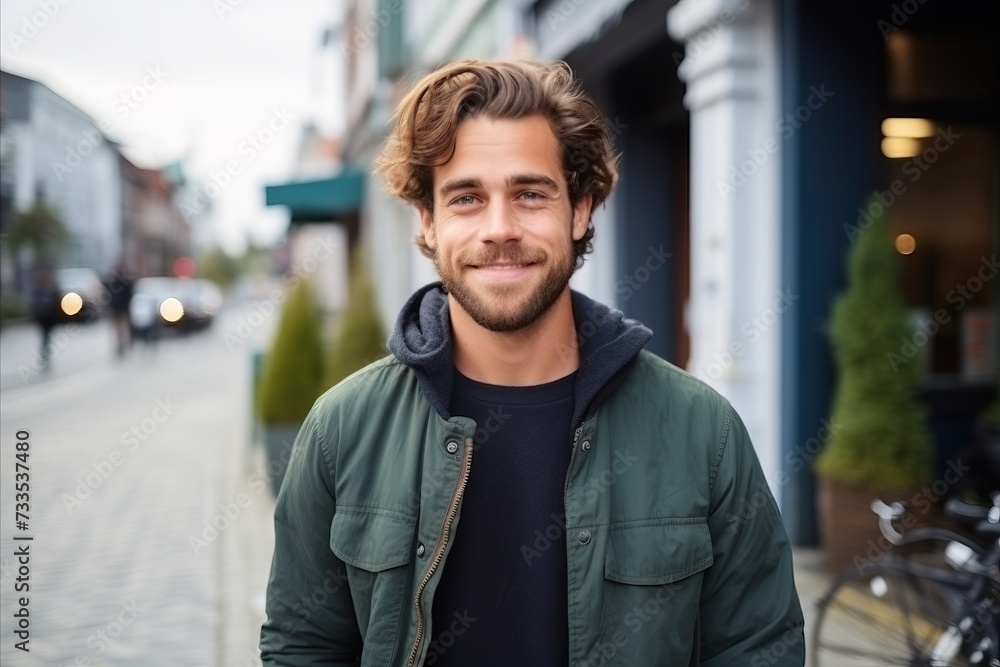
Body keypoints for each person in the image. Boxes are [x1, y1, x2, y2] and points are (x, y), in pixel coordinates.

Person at [260, 59, 804, 666]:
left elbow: (759, 648)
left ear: (579, 210)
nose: (500, 228)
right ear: (428, 222)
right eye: (466, 198)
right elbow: (303, 646)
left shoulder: (703, 431)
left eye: (529, 194)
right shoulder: (342, 432)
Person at [30, 263, 62, 369]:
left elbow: (57, 302)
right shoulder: (38, 289)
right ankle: (45, 355)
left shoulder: (53, 288)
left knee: (47, 337)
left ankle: (45, 355)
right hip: (42, 318)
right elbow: (34, 304)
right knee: (45, 337)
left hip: (50, 318)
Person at [104, 258, 134, 358]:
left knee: (123, 327)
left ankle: (124, 344)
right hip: (116, 308)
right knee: (118, 328)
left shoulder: (126, 281)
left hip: (123, 308)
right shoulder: (113, 280)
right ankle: (120, 345)